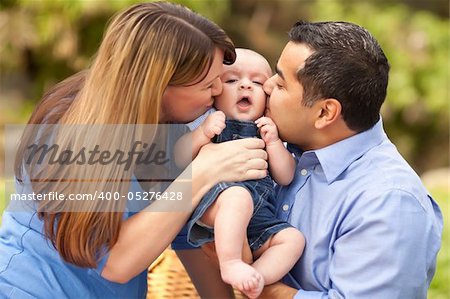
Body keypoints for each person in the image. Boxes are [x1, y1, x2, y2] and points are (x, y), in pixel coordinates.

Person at [0, 2, 269, 298]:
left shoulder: (170, 128)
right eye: (208, 84)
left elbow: (180, 229)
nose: (219, 90)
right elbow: (116, 263)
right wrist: (202, 172)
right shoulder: (67, 131)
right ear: (159, 86)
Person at [176, 21, 443, 299]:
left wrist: (260, 285)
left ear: (325, 113)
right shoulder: (282, 137)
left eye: (280, 83)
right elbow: (140, 175)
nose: (265, 86)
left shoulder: (388, 201)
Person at [174, 48, 304, 298]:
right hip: (216, 203)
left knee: (293, 239)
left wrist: (275, 143)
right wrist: (201, 134)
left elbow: (286, 176)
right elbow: (176, 158)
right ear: (214, 92)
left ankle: (256, 278)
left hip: (259, 216)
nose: (245, 86)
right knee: (238, 197)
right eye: (232, 80)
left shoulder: (269, 129)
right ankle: (231, 263)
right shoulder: (207, 119)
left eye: (257, 82)